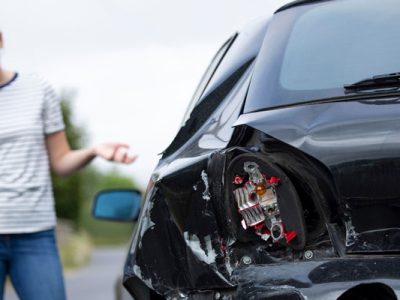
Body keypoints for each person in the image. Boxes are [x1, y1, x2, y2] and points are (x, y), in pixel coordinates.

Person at [0, 31, 136, 300]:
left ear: (1, 39)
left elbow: (60, 161)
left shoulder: (36, 88)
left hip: (35, 235)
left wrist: (94, 151)